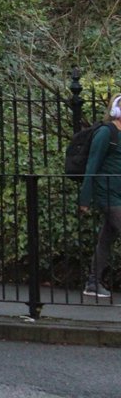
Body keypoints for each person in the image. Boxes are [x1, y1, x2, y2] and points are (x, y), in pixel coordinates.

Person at [78, 93, 121, 300]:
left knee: (106, 238)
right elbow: (92, 164)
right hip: (107, 193)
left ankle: (93, 282)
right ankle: (93, 282)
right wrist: (85, 198)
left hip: (119, 193)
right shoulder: (106, 132)